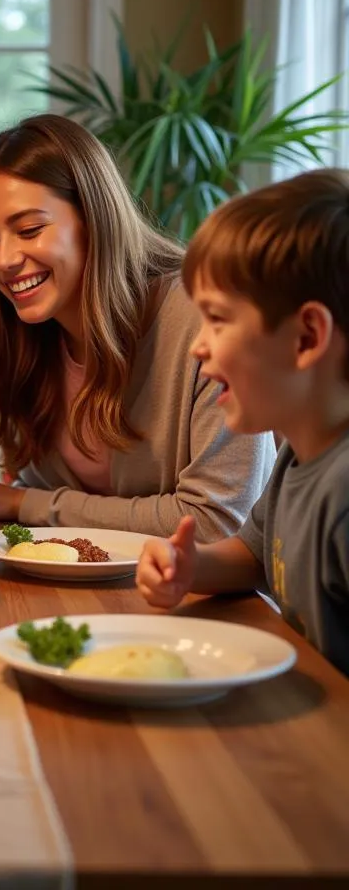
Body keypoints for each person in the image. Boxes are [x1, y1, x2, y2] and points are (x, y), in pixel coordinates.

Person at [0, 114, 276, 540]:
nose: (4, 260)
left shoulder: (205, 320)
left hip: (207, 602)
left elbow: (215, 522)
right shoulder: (23, 339)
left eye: (29, 230)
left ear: (94, 218)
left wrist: (23, 503)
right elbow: (38, 494)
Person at [137, 169, 349, 674]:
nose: (197, 345)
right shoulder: (299, 453)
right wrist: (193, 567)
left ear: (306, 338)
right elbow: (256, 558)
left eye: (218, 319)